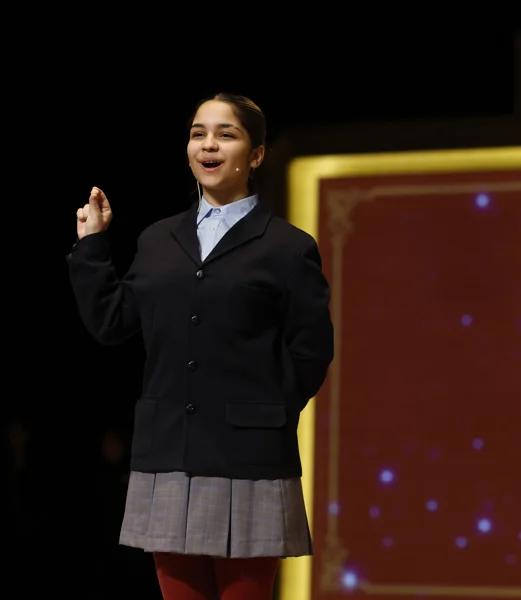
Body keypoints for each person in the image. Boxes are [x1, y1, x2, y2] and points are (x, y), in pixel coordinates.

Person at [67, 93, 334, 600]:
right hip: (168, 451)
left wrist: (265, 410)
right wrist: (92, 246)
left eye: (225, 134)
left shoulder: (288, 247)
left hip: (249, 458)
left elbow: (312, 351)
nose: (208, 144)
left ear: (255, 155)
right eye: (197, 133)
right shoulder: (157, 240)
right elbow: (112, 321)